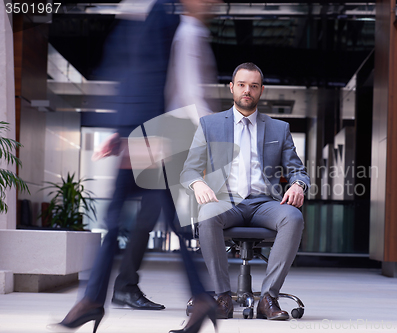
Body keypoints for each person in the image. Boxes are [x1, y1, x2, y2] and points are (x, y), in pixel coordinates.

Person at [48, 1, 216, 333]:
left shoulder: (167, 18)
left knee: (124, 221)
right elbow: (129, 75)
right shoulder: (147, 15)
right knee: (159, 222)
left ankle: (95, 300)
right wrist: (120, 132)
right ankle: (197, 297)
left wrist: (143, 136)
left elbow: (162, 79)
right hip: (141, 134)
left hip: (149, 137)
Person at [180, 62, 310, 321]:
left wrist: (298, 184)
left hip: (265, 203)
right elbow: (189, 170)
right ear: (232, 88)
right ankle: (223, 296)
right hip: (225, 202)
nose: (246, 91)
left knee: (293, 217)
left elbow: (297, 169)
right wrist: (199, 183)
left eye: (253, 86)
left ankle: (268, 298)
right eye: (241, 85)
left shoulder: (278, 129)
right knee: (207, 214)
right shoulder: (210, 125)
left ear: (261, 90)